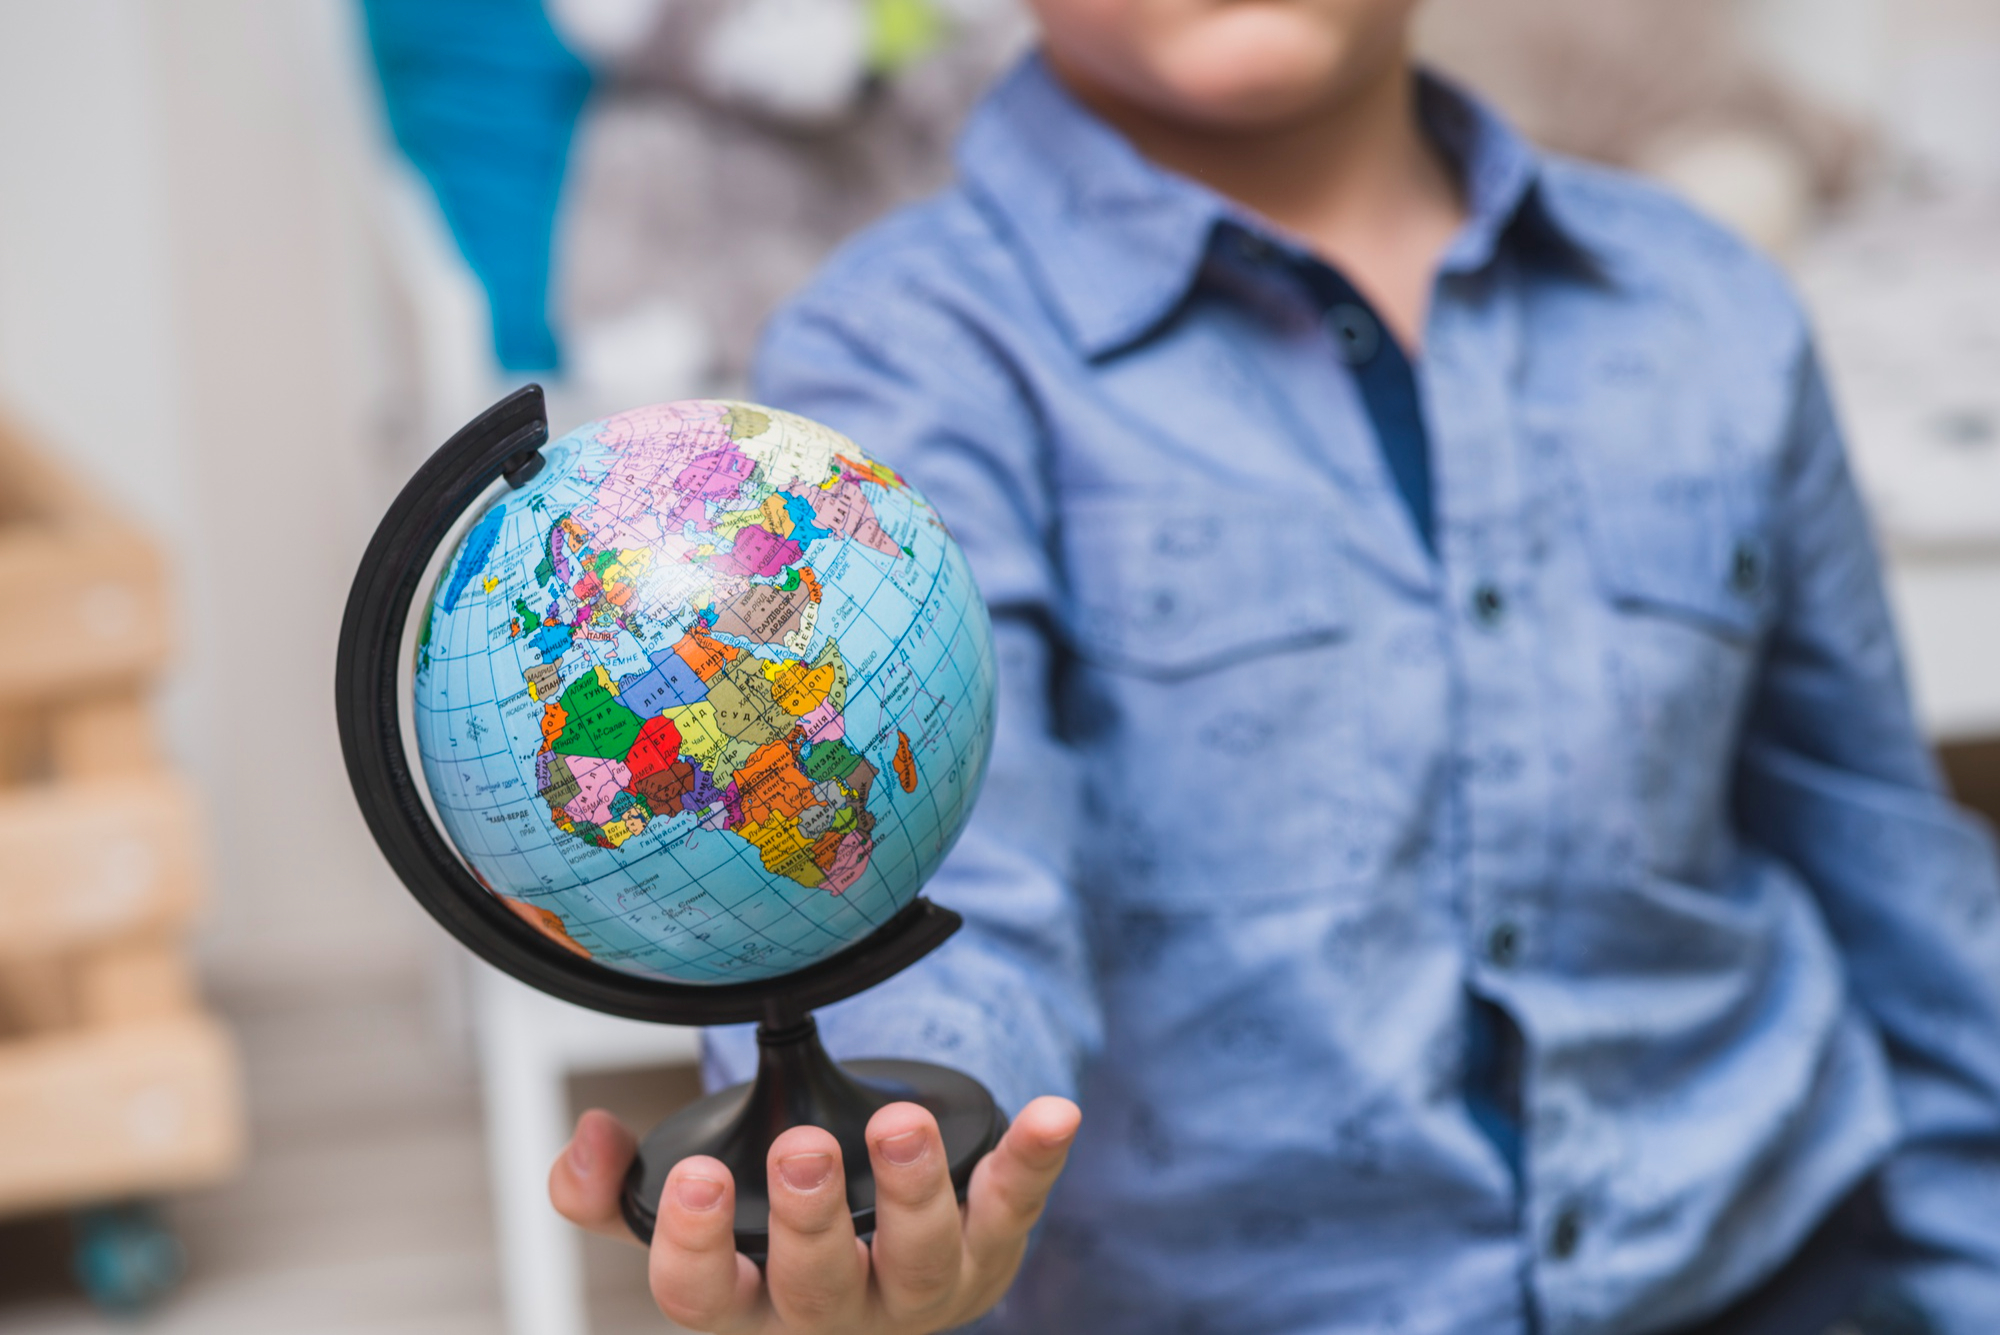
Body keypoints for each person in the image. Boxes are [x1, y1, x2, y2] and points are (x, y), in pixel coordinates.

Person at [545, 0, 2000, 1330]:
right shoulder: (898, 364)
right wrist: (897, 1153)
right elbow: (944, 873)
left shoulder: (1708, 305)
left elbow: (1895, 882)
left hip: (1785, 1266)